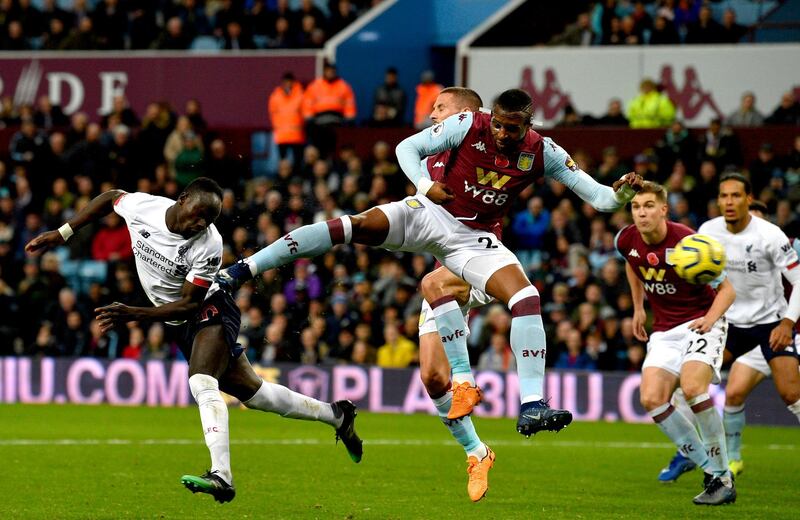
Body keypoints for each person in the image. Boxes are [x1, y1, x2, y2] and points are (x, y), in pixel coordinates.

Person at [216, 88, 643, 439]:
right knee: (349, 226)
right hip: (427, 211)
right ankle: (244, 269)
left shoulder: (543, 152)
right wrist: (425, 184)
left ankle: (532, 405)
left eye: (511, 128)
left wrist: (622, 194)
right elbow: (408, 146)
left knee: (526, 296)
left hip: (473, 241)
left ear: (528, 127)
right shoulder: (467, 125)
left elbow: (603, 199)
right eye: (496, 123)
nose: (500, 133)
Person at [24, 178, 362, 504]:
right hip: (178, 321)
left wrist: (134, 313)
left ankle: (222, 476)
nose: (200, 223)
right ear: (182, 200)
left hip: (208, 310)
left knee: (202, 381)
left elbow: (188, 303)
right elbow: (111, 197)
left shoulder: (208, 242)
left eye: (209, 219)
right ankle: (336, 415)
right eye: (197, 213)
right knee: (256, 395)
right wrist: (62, 232)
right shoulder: (144, 207)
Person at [616, 181, 737, 505]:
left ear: (663, 210)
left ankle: (723, 475)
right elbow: (632, 262)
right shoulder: (626, 238)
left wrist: (710, 320)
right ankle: (711, 471)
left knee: (693, 387)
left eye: (648, 206)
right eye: (636, 207)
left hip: (701, 322)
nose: (641, 213)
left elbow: (727, 290)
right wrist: (639, 306)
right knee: (652, 398)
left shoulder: (688, 243)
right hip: (665, 329)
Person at [698, 174, 800, 476]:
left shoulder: (770, 235)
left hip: (770, 324)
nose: (729, 202)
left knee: (790, 394)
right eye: (724, 196)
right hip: (731, 325)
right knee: (694, 383)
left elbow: (798, 280)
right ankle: (707, 456)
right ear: (718, 200)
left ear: (748, 198)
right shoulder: (708, 232)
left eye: (736, 196)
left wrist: (787, 322)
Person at [268, 72, 306, 168]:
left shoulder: (301, 95)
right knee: (282, 162)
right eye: (285, 82)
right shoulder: (276, 96)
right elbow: (272, 113)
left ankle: (296, 179)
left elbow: (305, 113)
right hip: (281, 136)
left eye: (290, 81)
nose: (288, 84)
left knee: (297, 161)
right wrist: (276, 127)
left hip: (296, 135)